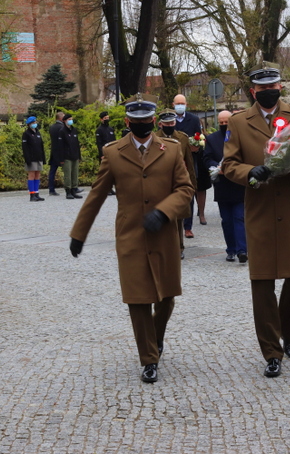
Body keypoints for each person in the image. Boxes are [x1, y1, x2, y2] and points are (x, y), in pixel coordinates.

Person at [69, 93, 194, 383]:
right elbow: (96, 196)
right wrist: (79, 234)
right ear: (127, 122)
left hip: (163, 234)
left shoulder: (172, 150)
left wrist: (164, 212)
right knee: (138, 299)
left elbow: (185, 190)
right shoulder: (113, 152)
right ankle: (149, 358)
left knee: (167, 296)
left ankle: (155, 337)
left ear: (153, 121)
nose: (143, 125)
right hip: (130, 236)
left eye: (147, 121)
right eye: (136, 122)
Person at [222, 62, 290, 378]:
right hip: (261, 208)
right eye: (263, 89)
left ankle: (288, 332)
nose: (269, 92)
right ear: (254, 91)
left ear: (280, 87)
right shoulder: (239, 122)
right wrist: (250, 172)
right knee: (262, 281)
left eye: (274, 87)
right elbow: (228, 165)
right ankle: (271, 351)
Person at [203, 110, 248, 263]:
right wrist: (215, 167)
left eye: (226, 122)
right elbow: (206, 158)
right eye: (221, 122)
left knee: (239, 217)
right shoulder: (212, 138)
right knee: (227, 220)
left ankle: (242, 250)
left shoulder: (241, 136)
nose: (224, 125)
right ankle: (231, 250)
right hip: (222, 185)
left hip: (238, 184)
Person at [156, 108, 197, 260]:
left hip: (179, 182)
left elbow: (189, 162)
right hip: (161, 182)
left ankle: (179, 247)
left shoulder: (182, 138)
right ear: (160, 124)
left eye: (172, 122)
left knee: (179, 216)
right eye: (166, 123)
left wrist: (192, 184)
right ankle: (163, 246)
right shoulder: (154, 138)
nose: (170, 125)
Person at [173, 94, 209, 237]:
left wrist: (196, 146)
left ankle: (188, 227)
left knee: (190, 189)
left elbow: (199, 137)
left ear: (186, 104)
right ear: (173, 104)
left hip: (190, 159)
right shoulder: (168, 119)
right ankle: (175, 224)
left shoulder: (193, 119)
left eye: (182, 103)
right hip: (172, 160)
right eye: (178, 103)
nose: (180, 105)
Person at [22, 116, 46, 202]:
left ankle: (37, 193)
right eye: (33, 122)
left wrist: (43, 158)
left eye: (35, 122)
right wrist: (27, 159)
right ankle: (32, 194)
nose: (35, 124)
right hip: (31, 158)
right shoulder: (26, 134)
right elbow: (25, 148)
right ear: (29, 124)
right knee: (31, 175)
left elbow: (41, 146)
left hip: (38, 157)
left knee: (37, 174)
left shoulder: (38, 133)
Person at [59, 113, 82, 199]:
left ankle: (74, 190)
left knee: (75, 174)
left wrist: (79, 156)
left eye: (71, 119)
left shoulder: (74, 130)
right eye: (69, 119)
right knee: (68, 175)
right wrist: (61, 158)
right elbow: (60, 146)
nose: (70, 121)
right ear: (64, 121)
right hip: (66, 156)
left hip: (75, 155)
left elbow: (77, 144)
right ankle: (68, 191)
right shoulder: (62, 131)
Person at [96, 111, 117, 196]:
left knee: (112, 172)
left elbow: (114, 141)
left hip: (112, 153)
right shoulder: (99, 130)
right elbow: (99, 143)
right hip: (104, 154)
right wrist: (101, 154)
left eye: (108, 118)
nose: (107, 119)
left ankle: (110, 188)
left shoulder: (110, 129)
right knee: (104, 172)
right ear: (101, 119)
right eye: (105, 118)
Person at [48, 112, 65, 196]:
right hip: (62, 152)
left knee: (52, 172)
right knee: (68, 171)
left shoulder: (52, 127)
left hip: (54, 152)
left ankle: (51, 189)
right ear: (61, 118)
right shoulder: (62, 127)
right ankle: (72, 188)